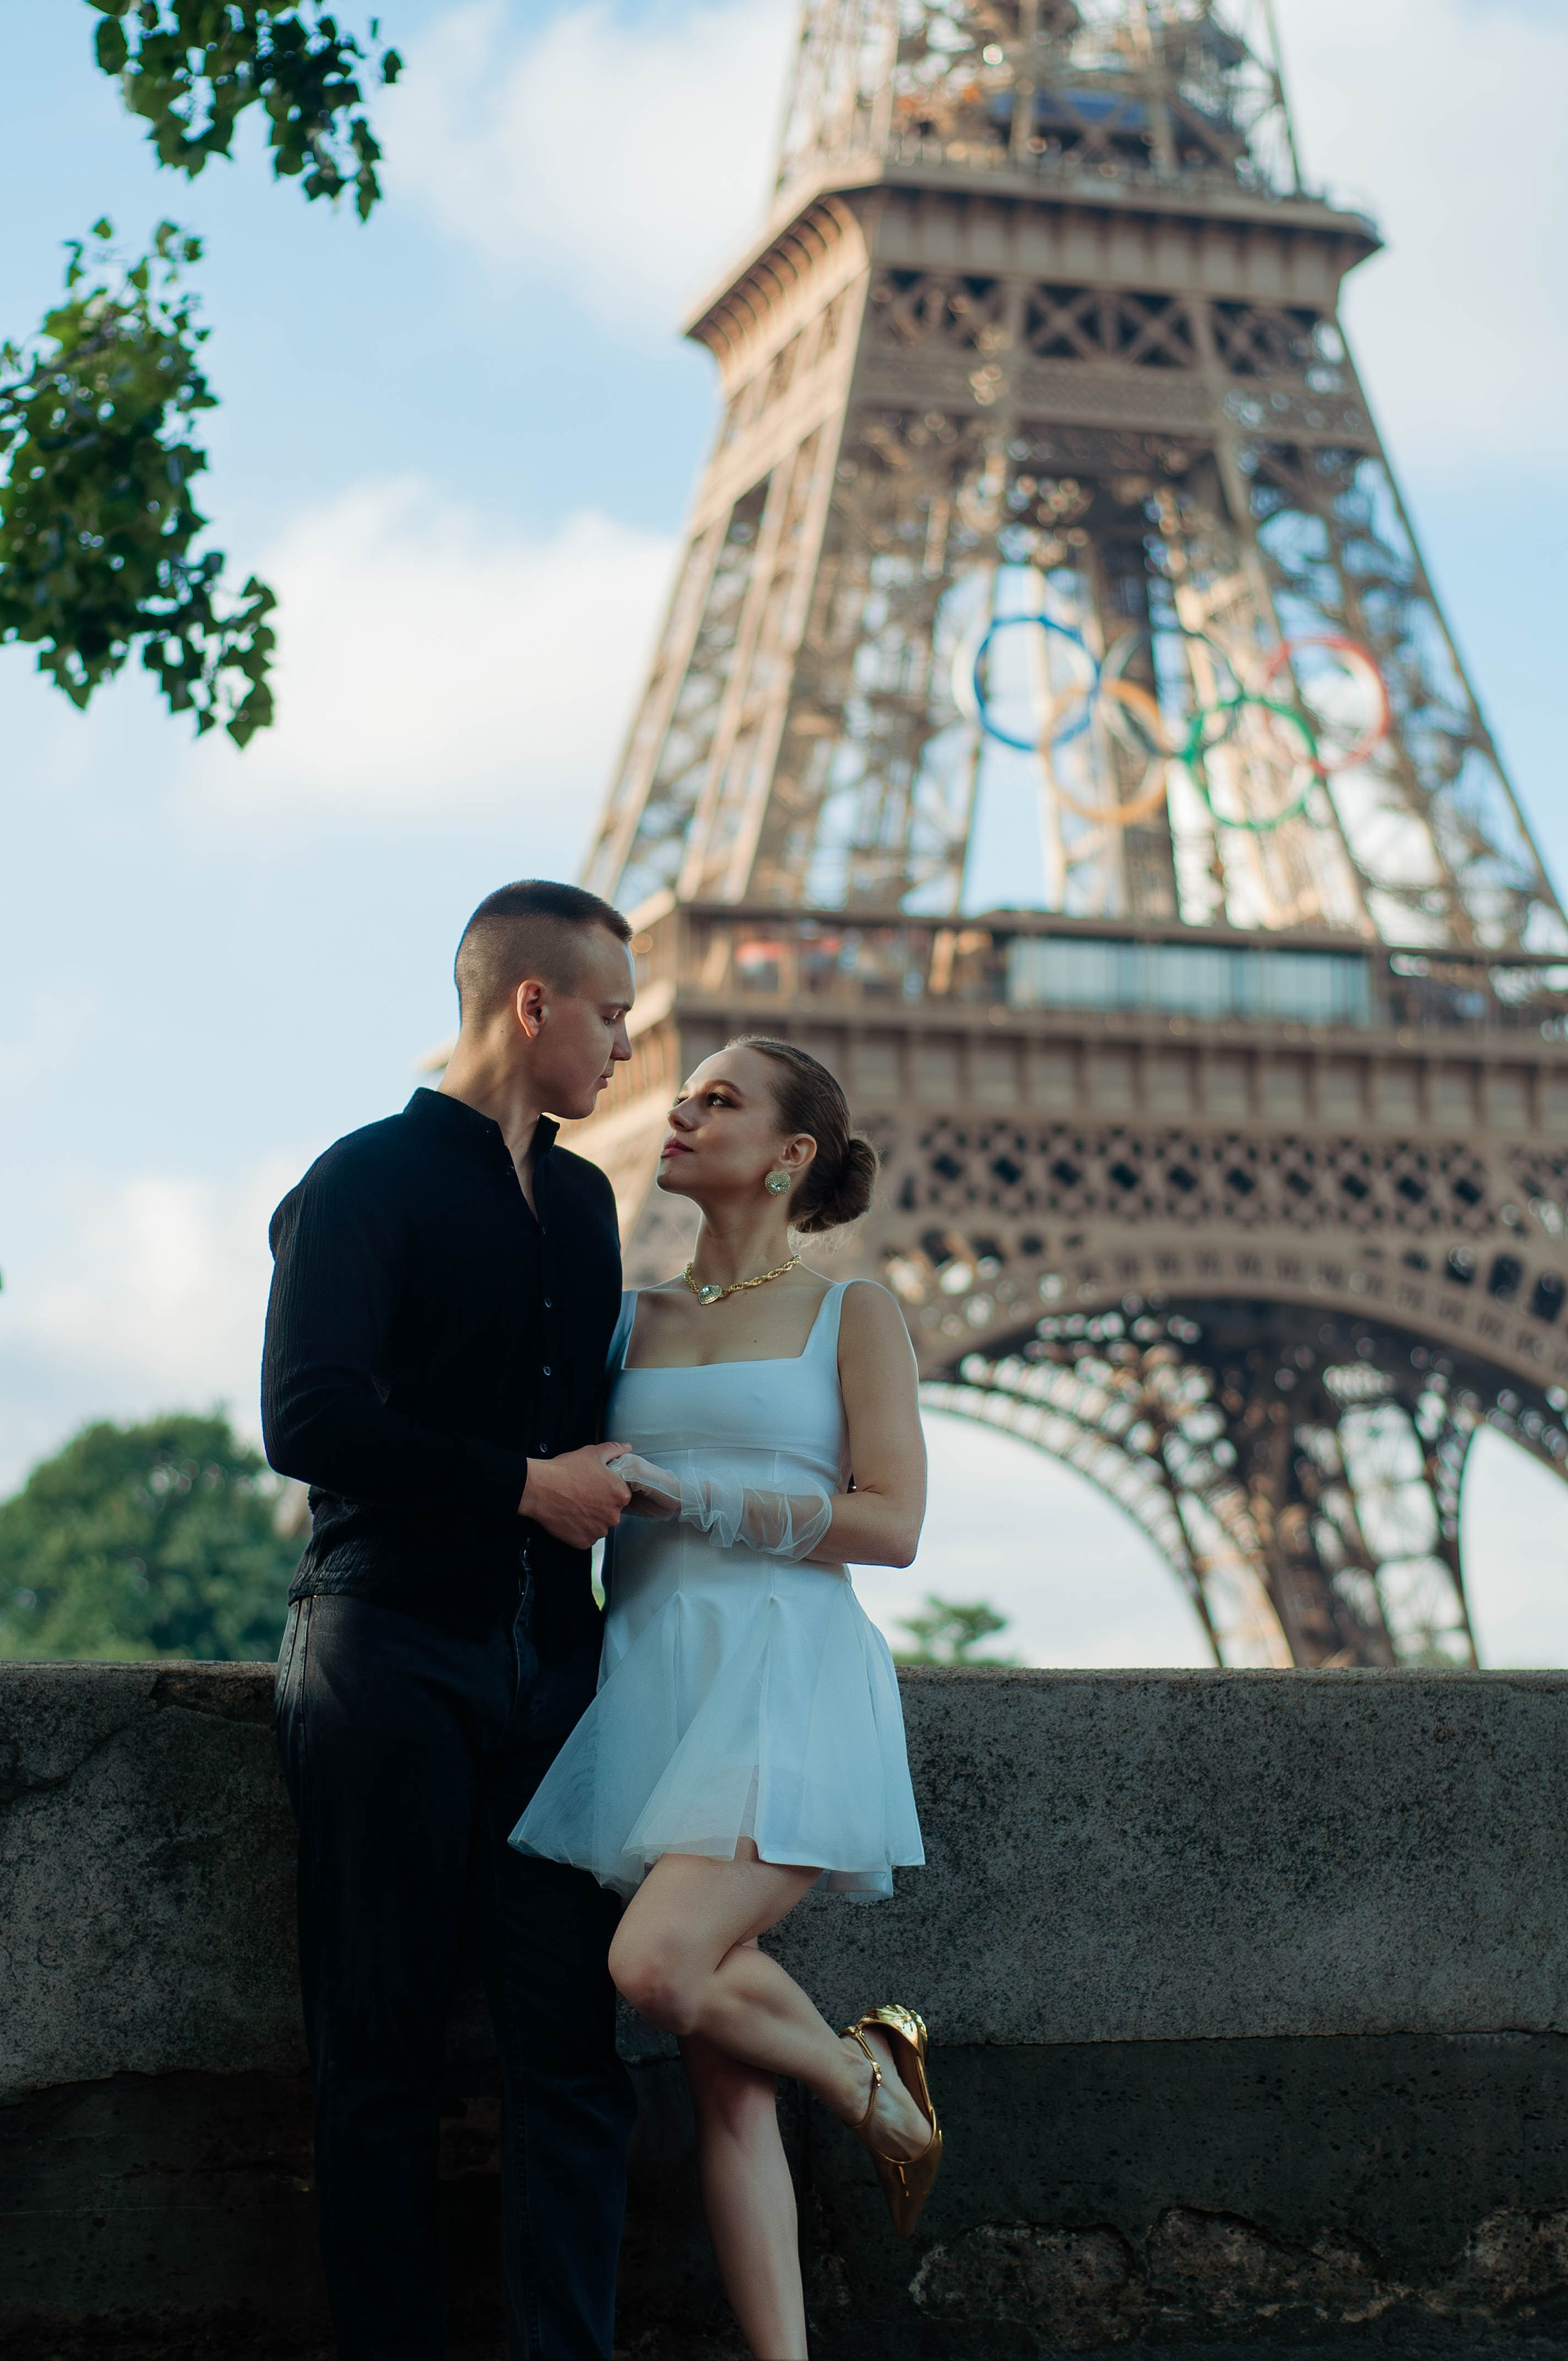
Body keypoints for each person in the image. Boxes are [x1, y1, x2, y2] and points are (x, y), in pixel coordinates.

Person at [511, 1035, 941, 2361]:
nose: (682, 1110)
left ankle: (873, 2082)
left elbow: (894, 1523)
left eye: (719, 1098)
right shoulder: (625, 1317)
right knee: (724, 2085)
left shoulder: (849, 1310)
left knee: (652, 1962)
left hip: (783, 1675)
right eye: (680, 1093)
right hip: (648, 1681)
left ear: (791, 1150)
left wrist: (701, 1493)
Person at [263, 879, 643, 2361]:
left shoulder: (593, 1199)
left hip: (554, 1664)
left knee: (572, 2050)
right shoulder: (360, 1179)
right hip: (391, 1650)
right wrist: (522, 1488)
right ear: (529, 1002)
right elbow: (306, 1415)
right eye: (609, 1010)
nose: (625, 1042)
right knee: (379, 2052)